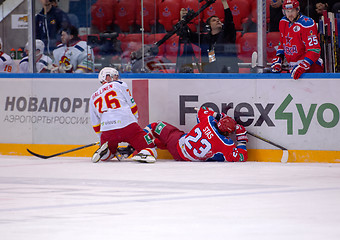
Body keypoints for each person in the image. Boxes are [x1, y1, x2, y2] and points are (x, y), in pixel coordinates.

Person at [89, 67, 158, 163]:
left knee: (110, 154)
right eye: (115, 76)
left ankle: (105, 152)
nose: (117, 79)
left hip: (107, 130)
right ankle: (145, 153)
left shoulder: (93, 97)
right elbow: (132, 105)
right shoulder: (119, 85)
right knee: (150, 148)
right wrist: (135, 123)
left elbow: (95, 124)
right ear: (107, 77)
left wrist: (102, 139)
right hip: (127, 124)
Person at [142, 106, 248, 162]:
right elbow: (241, 157)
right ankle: (150, 146)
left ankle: (141, 146)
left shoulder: (208, 120)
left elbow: (202, 110)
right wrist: (241, 137)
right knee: (160, 142)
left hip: (176, 141)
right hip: (182, 157)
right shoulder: (226, 144)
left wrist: (220, 116)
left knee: (155, 126)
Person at [180, 0, 239, 73]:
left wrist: (224, 3)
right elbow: (188, 34)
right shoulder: (204, 39)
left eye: (219, 20)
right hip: (209, 75)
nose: (218, 21)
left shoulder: (227, 35)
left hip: (228, 73)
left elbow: (229, 21)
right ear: (209, 26)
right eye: (214, 20)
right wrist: (182, 19)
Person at [271, 0, 324, 80]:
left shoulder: (307, 24)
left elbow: (314, 50)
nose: (290, 15)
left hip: (311, 69)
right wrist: (279, 58)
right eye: (287, 11)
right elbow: (282, 44)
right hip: (293, 70)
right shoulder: (283, 22)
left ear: (297, 10)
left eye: (292, 11)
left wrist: (303, 65)